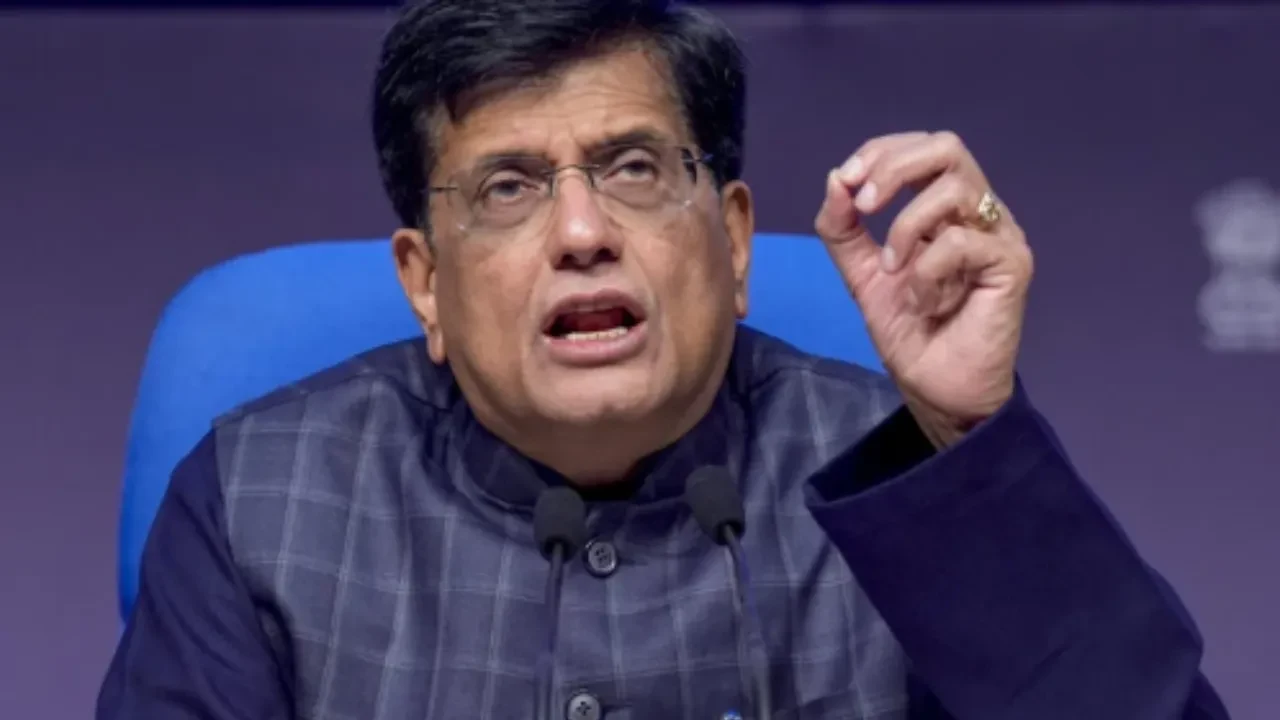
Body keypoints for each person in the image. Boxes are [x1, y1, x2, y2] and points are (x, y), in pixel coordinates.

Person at [97, 1, 1230, 718]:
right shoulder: (262, 501)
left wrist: (971, 449)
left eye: (633, 168)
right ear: (425, 282)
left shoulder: (908, 482)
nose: (582, 231)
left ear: (732, 241)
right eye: (508, 187)